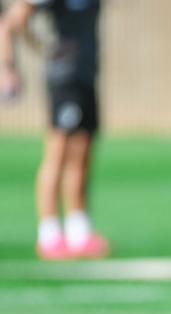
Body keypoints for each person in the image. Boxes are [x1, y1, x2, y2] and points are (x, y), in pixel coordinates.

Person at [0, 0, 109, 260]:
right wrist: (9, 67)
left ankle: (78, 230)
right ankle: (49, 234)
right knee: (58, 153)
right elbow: (11, 21)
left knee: (82, 152)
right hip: (64, 78)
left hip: (86, 76)